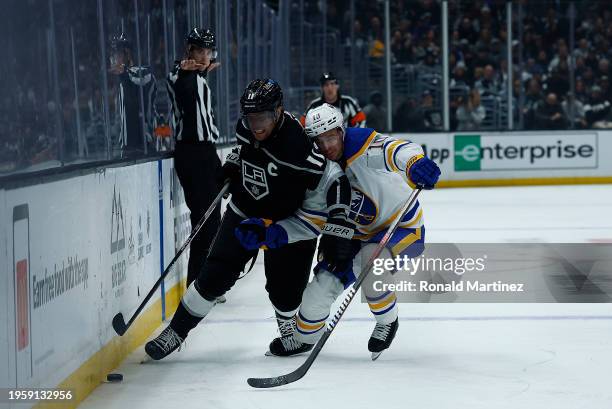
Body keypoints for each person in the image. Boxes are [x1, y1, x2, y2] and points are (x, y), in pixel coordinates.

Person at [145, 79, 352, 360]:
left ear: (278, 112)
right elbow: (242, 150)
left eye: (263, 117)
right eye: (251, 117)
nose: (256, 125)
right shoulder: (246, 128)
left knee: (285, 291)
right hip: (245, 211)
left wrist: (326, 226)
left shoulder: (301, 150)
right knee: (214, 275)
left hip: (285, 222)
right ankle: (176, 331)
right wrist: (232, 164)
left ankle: (289, 331)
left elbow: (328, 188)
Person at [270, 103, 441, 360]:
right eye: (319, 140)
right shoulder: (316, 170)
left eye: (330, 136)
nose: (326, 146)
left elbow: (398, 150)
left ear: (341, 131)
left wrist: (415, 163)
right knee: (317, 294)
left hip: (402, 228)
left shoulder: (363, 146)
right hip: (352, 237)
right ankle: (305, 339)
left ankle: (387, 320)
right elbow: (312, 219)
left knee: (369, 263)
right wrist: (276, 233)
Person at [166, 28, 222, 287]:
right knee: (204, 220)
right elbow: (182, 92)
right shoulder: (179, 74)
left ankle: (206, 281)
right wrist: (191, 72)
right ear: (189, 50)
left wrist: (199, 72)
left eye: (207, 50)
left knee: (214, 219)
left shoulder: (199, 76)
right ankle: (197, 284)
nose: (203, 55)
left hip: (207, 152)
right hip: (191, 153)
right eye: (198, 50)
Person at [109, 33, 159, 158]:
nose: (113, 59)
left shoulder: (143, 72)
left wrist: (124, 72)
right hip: (127, 147)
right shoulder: (124, 80)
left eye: (117, 54)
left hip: (144, 145)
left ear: (127, 54)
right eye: (113, 55)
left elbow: (142, 78)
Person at [301, 72, 366, 128]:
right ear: (322, 88)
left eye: (332, 84)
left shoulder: (348, 102)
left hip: (347, 140)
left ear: (337, 86)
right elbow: (304, 124)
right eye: (326, 85)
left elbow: (361, 121)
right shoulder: (314, 105)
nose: (330, 88)